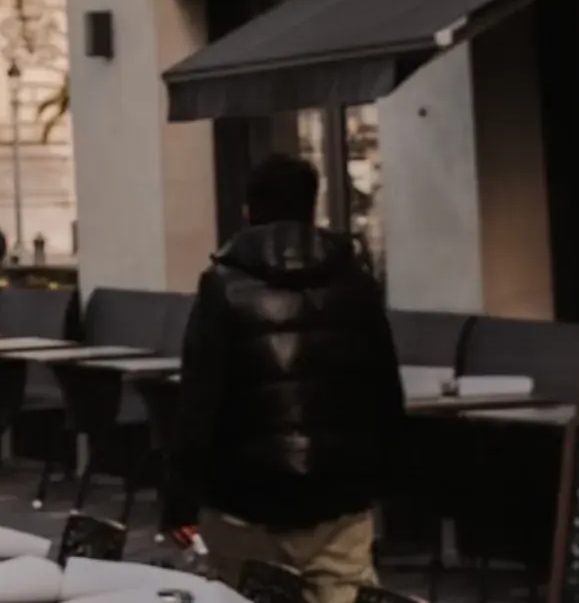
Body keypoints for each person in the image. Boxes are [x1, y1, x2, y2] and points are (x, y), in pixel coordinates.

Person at [162, 153, 404, 603]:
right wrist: (384, 481)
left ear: (248, 211)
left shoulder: (222, 287)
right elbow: (384, 390)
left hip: (243, 499)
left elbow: (199, 400)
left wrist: (180, 497)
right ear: (313, 209)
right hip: (338, 499)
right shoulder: (355, 282)